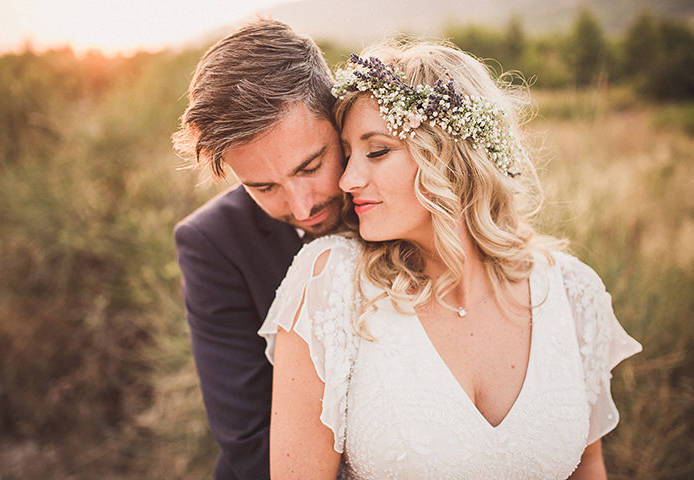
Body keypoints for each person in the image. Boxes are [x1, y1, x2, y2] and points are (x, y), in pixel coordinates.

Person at [259, 42, 642, 479]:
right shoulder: (331, 282)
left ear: (450, 153)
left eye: (377, 151)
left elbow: (588, 465)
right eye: (348, 155)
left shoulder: (573, 291)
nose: (348, 179)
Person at [172, 19, 345, 479]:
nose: (302, 206)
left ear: (338, 116)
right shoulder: (211, 244)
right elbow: (248, 440)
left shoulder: (403, 197)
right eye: (264, 187)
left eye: (311, 166)